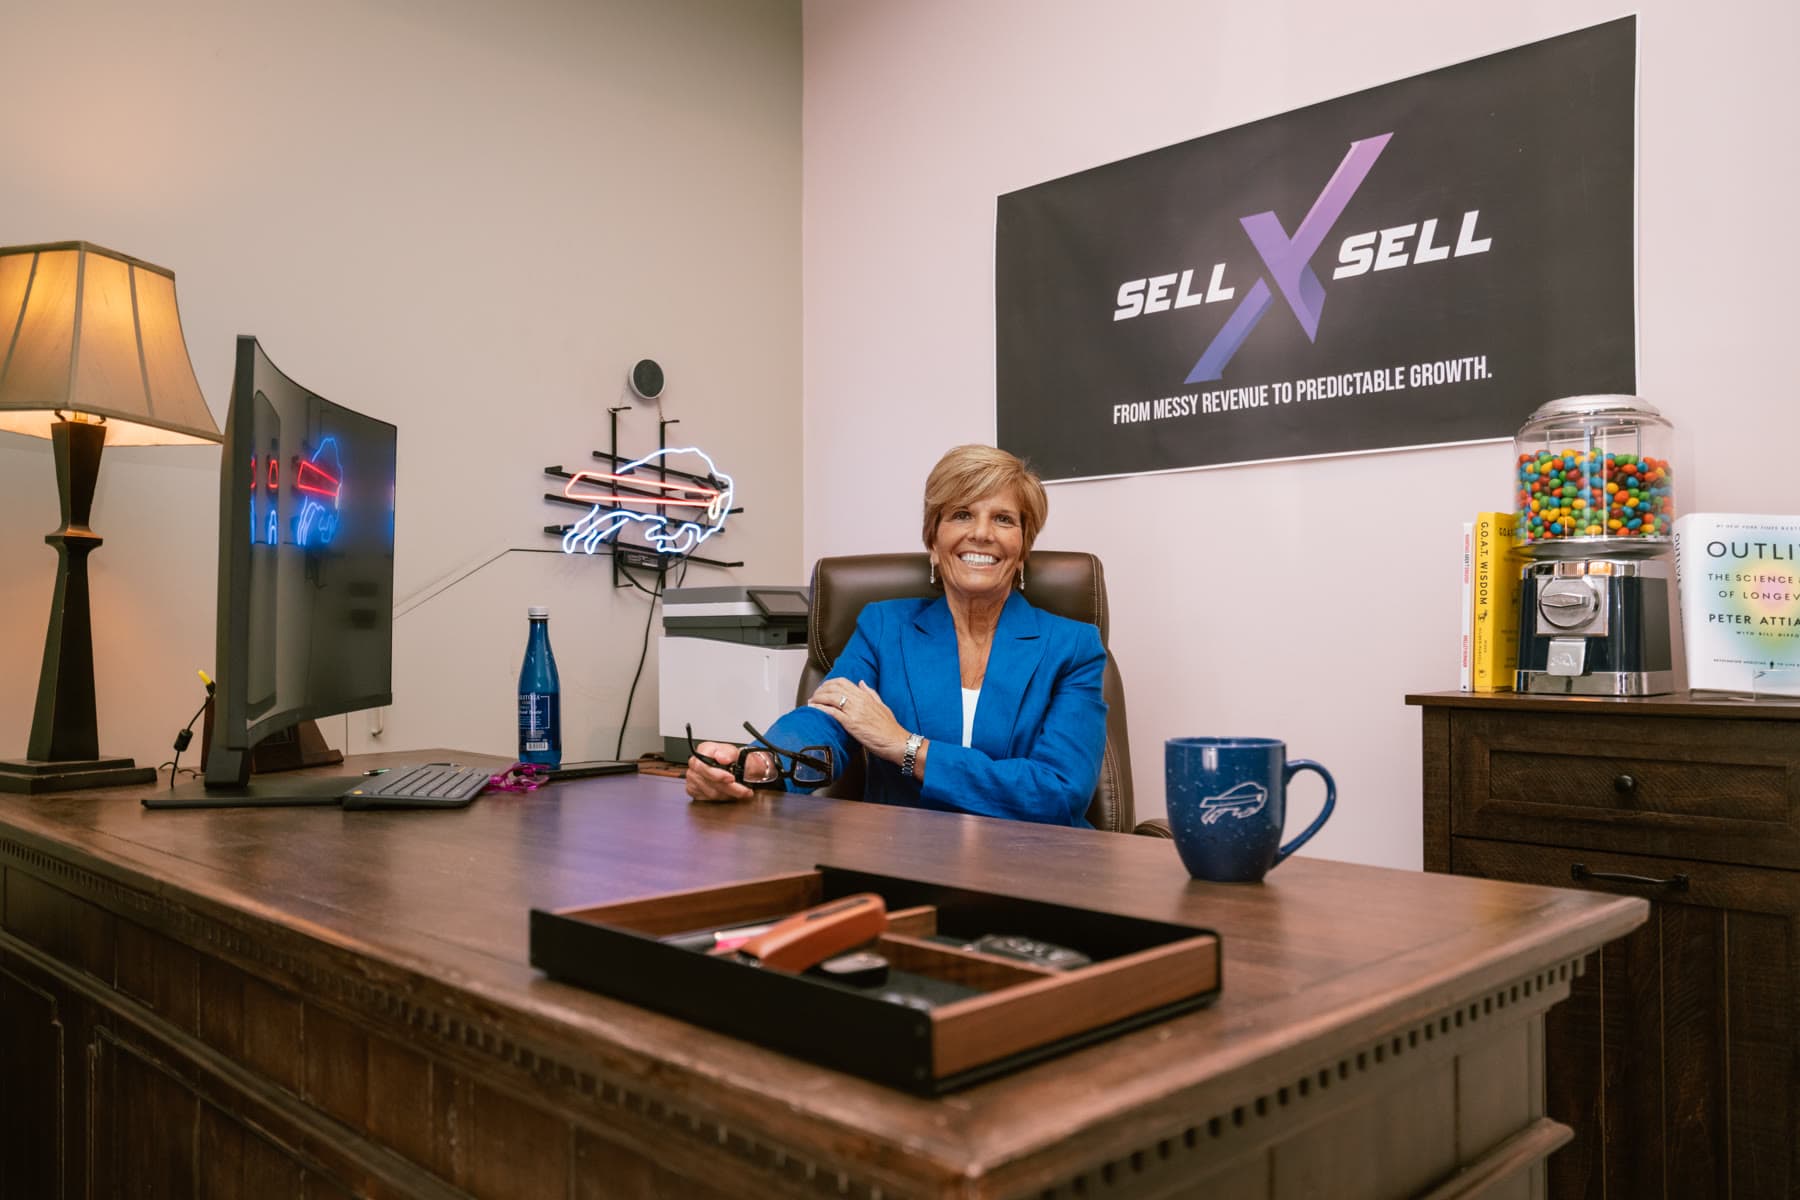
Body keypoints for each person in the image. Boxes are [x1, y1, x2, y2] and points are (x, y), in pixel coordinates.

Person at [684, 444, 1107, 826]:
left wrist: (906, 747)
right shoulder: (885, 627)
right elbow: (825, 720)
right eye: (962, 514)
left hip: (1037, 869)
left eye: (1003, 518)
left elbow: (1059, 791)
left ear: (1023, 548)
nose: (982, 533)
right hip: (902, 861)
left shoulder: (1073, 647)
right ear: (933, 541)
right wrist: (758, 764)